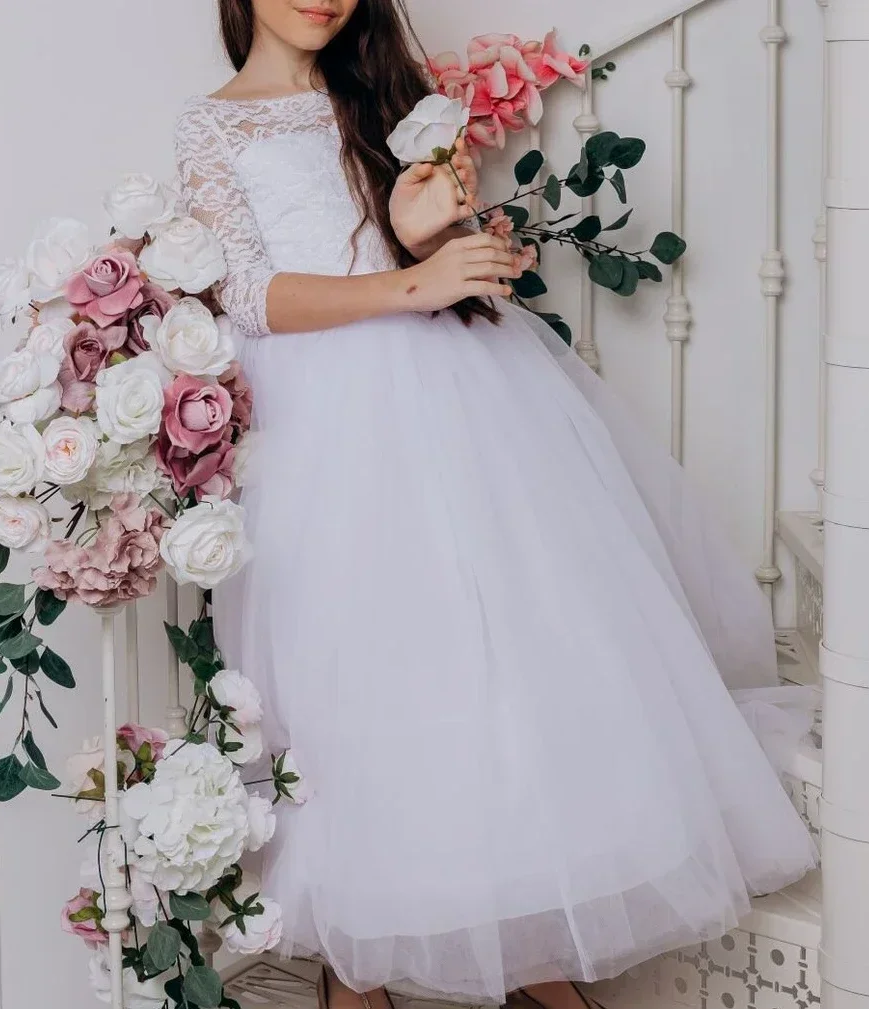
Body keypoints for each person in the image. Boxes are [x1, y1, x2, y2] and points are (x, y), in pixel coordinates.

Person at [173, 2, 819, 1007]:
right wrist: (413, 282)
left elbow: (406, 258)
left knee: (502, 662)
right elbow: (249, 296)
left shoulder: (381, 98)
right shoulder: (215, 125)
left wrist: (442, 242)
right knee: (356, 678)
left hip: (455, 396)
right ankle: (357, 965)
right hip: (321, 427)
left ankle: (535, 948)